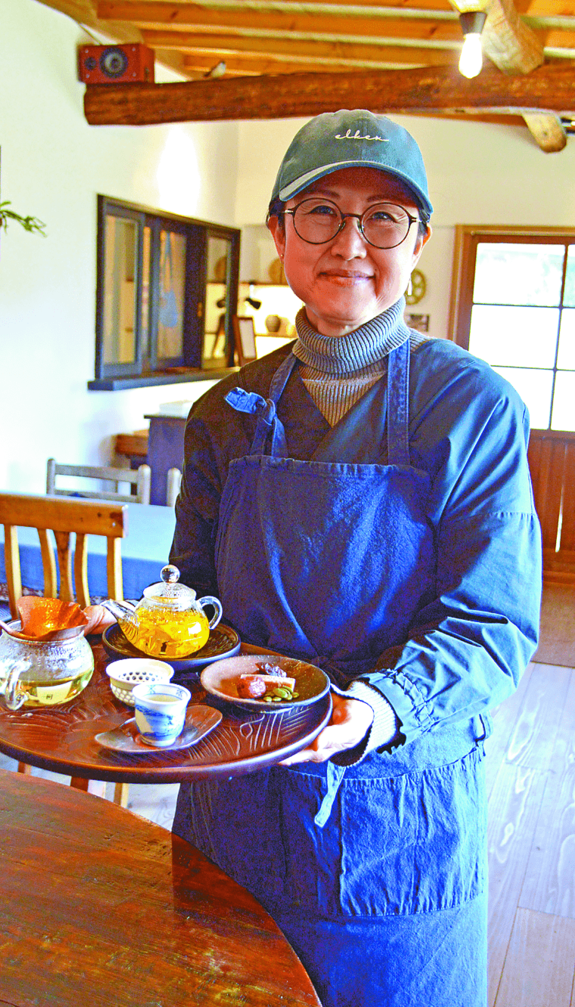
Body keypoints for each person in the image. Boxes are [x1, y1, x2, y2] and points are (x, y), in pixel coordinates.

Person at [167, 109, 542, 1007]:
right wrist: (150, 638)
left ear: (418, 238)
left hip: (394, 806)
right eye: (322, 211)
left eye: (383, 216)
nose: (352, 243)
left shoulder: (471, 406)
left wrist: (376, 705)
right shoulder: (227, 410)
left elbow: (492, 624)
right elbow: (195, 595)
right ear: (278, 231)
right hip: (237, 791)